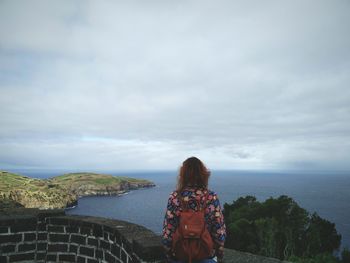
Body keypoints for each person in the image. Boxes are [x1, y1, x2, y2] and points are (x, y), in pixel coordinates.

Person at [162, 157, 226, 263]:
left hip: (180, 254)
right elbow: (219, 229)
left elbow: (169, 228)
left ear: (183, 175)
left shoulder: (175, 196)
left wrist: (169, 251)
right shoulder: (211, 196)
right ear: (203, 175)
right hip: (205, 253)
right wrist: (219, 250)